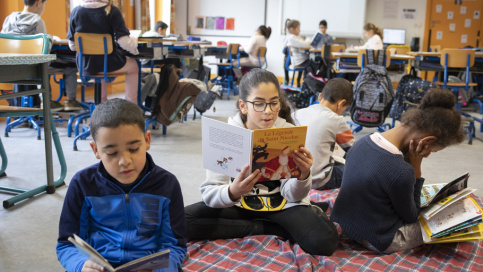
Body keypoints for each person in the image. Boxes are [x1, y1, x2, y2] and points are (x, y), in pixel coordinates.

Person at [184, 69, 339, 256]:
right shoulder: (226, 135)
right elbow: (210, 193)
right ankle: (269, 228)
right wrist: (233, 192)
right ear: (243, 106)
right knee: (182, 221)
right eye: (259, 104)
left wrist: (303, 176)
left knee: (325, 241)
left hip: (281, 207)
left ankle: (261, 226)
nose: (268, 111)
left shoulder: (288, 132)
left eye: (274, 103)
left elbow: (293, 197)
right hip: (238, 205)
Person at [56, 98, 187, 271]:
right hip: (100, 266)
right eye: (111, 153)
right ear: (96, 150)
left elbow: (175, 246)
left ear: (147, 140)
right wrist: (81, 265)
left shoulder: (167, 184)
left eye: (133, 149)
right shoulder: (82, 184)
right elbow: (67, 244)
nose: (124, 161)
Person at [330, 88, 465, 254]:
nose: (428, 154)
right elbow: (411, 216)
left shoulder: (362, 142)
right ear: (428, 141)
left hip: (347, 224)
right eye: (433, 150)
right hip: (378, 239)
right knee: (446, 222)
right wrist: (416, 170)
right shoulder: (402, 171)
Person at [1, 0, 82, 111]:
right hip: (33, 67)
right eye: (45, 4)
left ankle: (45, 102)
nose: (44, 8)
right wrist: (49, 39)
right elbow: (44, 52)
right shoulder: (37, 21)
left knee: (45, 66)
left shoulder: (9, 19)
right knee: (70, 66)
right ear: (39, 3)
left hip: (11, 68)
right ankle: (65, 101)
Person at [68, 0, 139, 103]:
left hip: (85, 65)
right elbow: (124, 42)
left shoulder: (76, 11)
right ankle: (131, 105)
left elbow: (72, 46)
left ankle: (101, 104)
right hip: (110, 64)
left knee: (99, 65)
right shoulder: (113, 11)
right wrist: (134, 47)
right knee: (133, 66)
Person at [292, 78, 355, 190]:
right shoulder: (336, 120)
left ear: (320, 96)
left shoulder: (297, 113)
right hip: (318, 180)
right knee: (355, 170)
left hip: (294, 178)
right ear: (341, 103)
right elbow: (354, 151)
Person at [283, 19, 311, 87]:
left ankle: (306, 84)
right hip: (299, 61)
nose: (300, 30)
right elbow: (305, 45)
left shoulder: (294, 37)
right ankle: (306, 86)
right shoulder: (292, 38)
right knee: (314, 64)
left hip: (298, 59)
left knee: (313, 63)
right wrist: (309, 40)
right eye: (298, 28)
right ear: (292, 29)